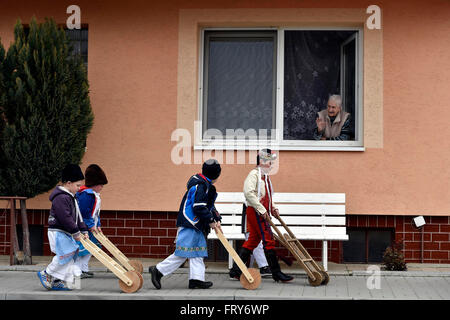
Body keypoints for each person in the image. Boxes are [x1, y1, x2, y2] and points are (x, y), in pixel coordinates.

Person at [149, 159, 222, 289]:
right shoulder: (201, 186)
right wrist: (211, 221)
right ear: (216, 175)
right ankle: (158, 270)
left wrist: (216, 218)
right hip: (190, 223)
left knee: (197, 252)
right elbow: (199, 207)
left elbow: (209, 205)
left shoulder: (205, 185)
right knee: (183, 253)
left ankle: (196, 279)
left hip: (196, 225)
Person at [229, 149, 293, 282]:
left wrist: (273, 208)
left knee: (252, 240)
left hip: (261, 211)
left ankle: (236, 270)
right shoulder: (254, 175)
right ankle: (276, 273)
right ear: (263, 162)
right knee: (268, 240)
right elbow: (249, 193)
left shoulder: (265, 177)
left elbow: (267, 196)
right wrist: (262, 209)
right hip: (256, 212)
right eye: (270, 161)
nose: (271, 164)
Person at [37, 164, 88, 291]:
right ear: (69, 183)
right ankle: (47, 273)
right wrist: (76, 232)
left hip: (66, 232)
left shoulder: (71, 197)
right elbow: (65, 218)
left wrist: (83, 230)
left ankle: (59, 280)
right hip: (58, 231)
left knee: (72, 253)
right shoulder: (61, 198)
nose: (79, 188)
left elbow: (78, 216)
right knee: (66, 253)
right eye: (77, 185)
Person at [75, 164, 108, 278]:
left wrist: (98, 224)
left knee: (91, 248)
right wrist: (90, 225)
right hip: (84, 227)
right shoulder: (86, 195)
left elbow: (96, 212)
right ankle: (77, 271)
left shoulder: (95, 195)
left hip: (91, 226)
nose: (102, 187)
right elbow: (84, 213)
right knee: (82, 250)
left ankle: (84, 268)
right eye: (101, 185)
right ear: (94, 184)